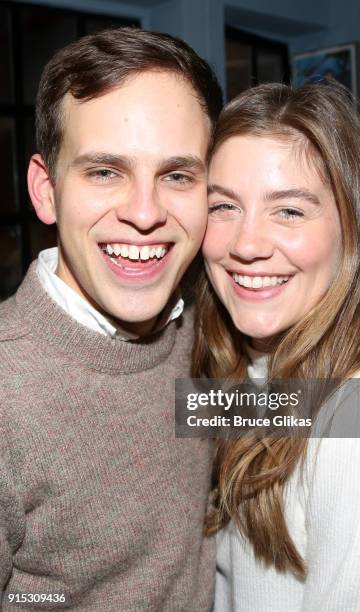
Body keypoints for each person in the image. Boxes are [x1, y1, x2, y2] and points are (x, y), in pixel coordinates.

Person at [0, 27, 222, 610]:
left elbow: (299, 414)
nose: (145, 214)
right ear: (46, 192)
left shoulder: (197, 334)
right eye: (105, 172)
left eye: (177, 175)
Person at [193, 82, 360, 610]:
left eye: (290, 211)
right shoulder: (251, 372)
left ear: (353, 228)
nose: (246, 245)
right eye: (224, 206)